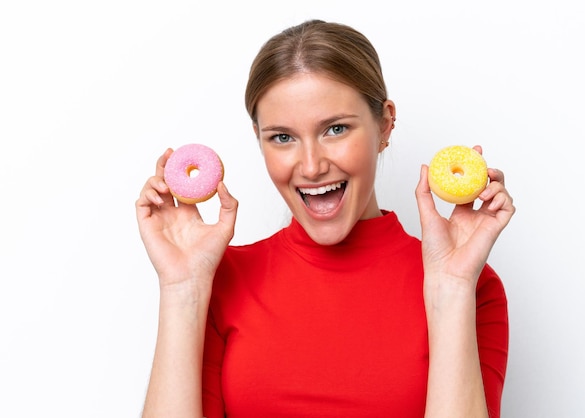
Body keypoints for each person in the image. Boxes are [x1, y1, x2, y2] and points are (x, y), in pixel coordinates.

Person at [136, 19, 515, 418]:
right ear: (259, 139)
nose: (312, 166)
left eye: (335, 129)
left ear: (384, 123)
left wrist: (452, 288)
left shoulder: (472, 286)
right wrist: (182, 289)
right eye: (282, 137)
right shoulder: (218, 280)